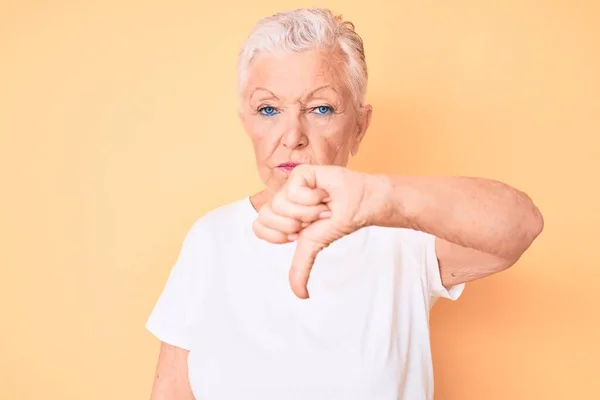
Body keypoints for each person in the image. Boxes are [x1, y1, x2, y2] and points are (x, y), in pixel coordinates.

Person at [146, 7, 544, 400]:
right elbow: (171, 391)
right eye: (268, 109)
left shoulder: (403, 233)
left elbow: (521, 225)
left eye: (320, 108)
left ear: (359, 126)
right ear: (245, 120)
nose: (291, 136)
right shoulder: (210, 238)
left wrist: (383, 198)